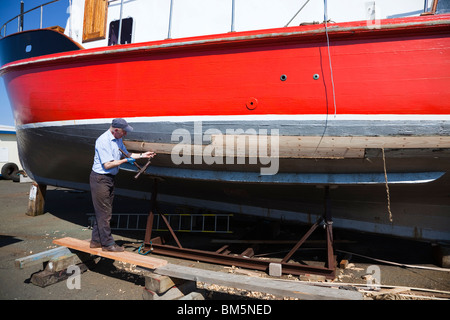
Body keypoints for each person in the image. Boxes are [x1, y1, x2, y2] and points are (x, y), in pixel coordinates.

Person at [90, 118, 155, 252]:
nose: (125, 134)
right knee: (105, 213)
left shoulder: (117, 139)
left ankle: (96, 241)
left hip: (109, 178)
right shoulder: (103, 141)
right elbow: (107, 164)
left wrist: (143, 155)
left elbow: (127, 154)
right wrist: (126, 160)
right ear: (116, 130)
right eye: (124, 132)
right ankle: (108, 244)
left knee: (102, 211)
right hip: (100, 178)